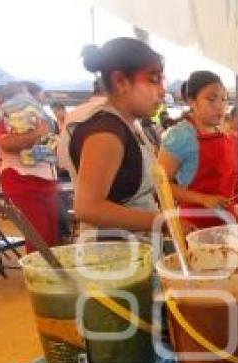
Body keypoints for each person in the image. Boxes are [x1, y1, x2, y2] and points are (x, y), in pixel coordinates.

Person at [58, 37, 166, 239]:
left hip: (136, 251)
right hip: (112, 258)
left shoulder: (128, 125)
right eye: (153, 79)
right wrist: (162, 221)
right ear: (121, 81)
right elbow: (87, 208)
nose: (162, 91)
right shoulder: (106, 132)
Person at [158, 71, 238, 229]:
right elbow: (161, 185)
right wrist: (203, 199)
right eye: (211, 99)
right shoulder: (181, 135)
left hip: (227, 221)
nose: (220, 106)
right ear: (192, 101)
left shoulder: (222, 132)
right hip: (196, 224)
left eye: (224, 99)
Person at [0, 82, 57, 251]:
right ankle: (39, 276)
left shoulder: (40, 117)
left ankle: (49, 275)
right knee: (38, 236)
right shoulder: (2, 116)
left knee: (50, 234)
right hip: (21, 177)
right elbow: (7, 144)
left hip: (44, 177)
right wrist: (37, 134)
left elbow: (45, 148)